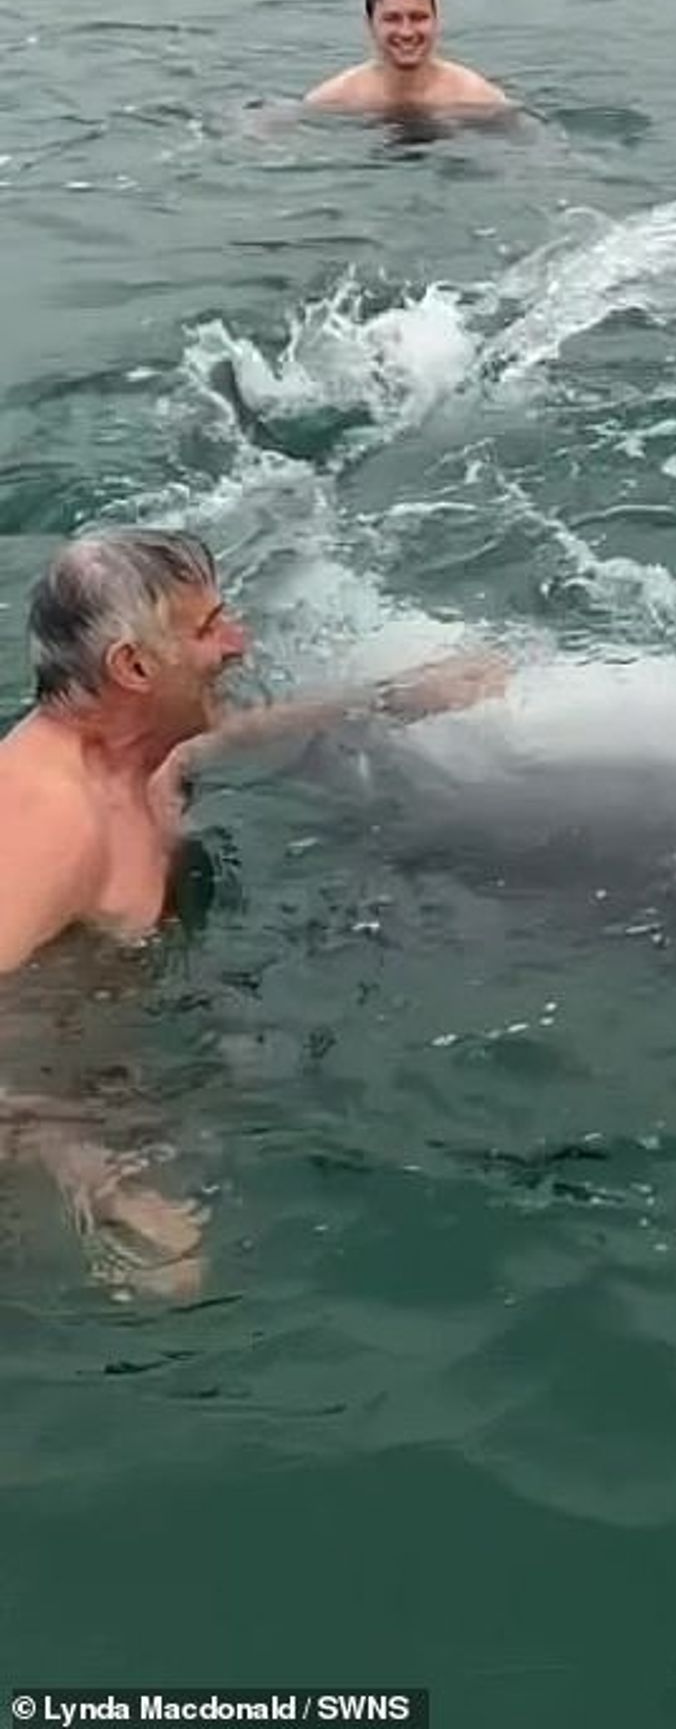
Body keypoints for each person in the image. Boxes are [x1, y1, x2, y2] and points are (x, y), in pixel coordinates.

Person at [0, 528, 503, 1291]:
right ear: (132, 666)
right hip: (39, 1110)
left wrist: (390, 698)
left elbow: (211, 741)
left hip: (116, 1063)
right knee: (171, 1281)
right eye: (208, 629)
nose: (240, 641)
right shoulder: (48, 823)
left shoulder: (141, 752)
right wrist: (87, 1171)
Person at [304, 0, 510, 116]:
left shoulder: (478, 100)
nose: (406, 32)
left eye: (418, 18)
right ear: (370, 25)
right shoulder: (335, 100)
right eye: (392, 19)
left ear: (437, 21)